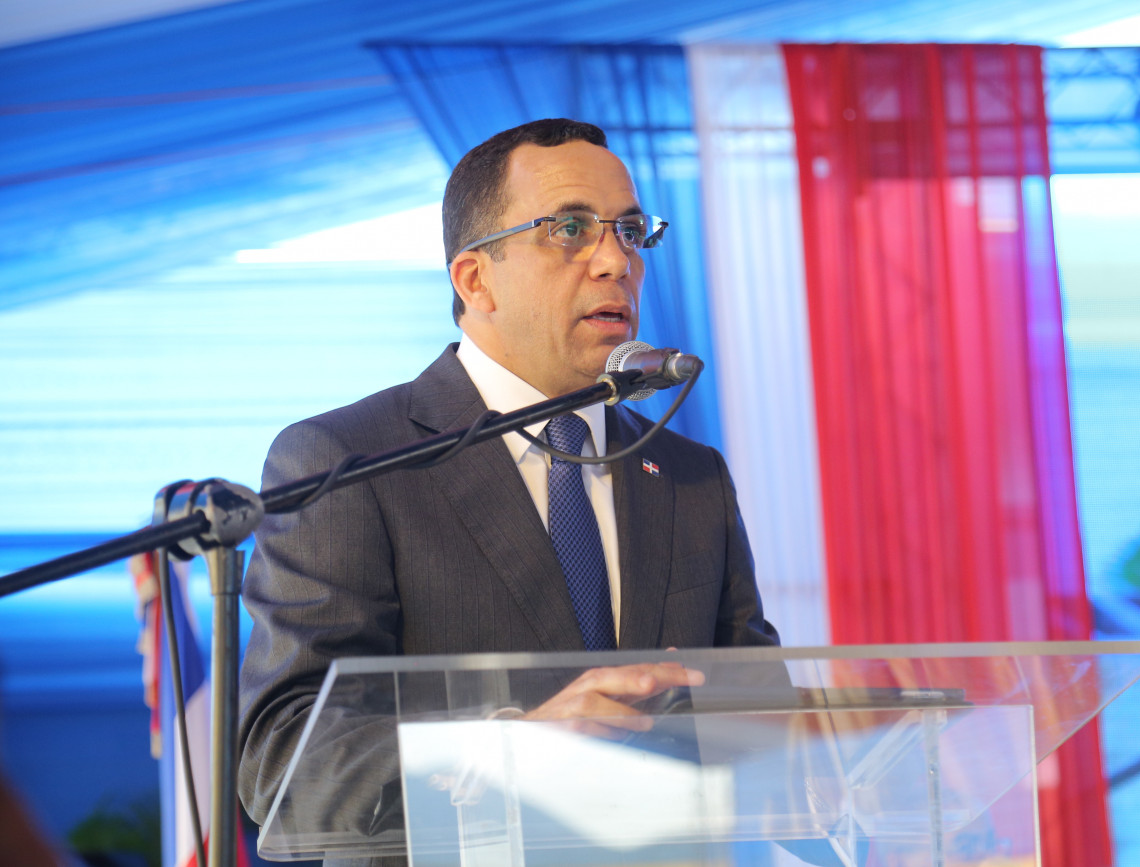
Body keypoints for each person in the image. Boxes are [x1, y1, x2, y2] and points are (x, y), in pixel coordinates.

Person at [235, 119, 779, 855]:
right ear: (474, 279)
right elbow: (286, 761)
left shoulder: (689, 475)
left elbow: (759, 719)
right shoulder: (349, 462)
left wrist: (863, 748)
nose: (615, 260)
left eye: (629, 230)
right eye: (570, 228)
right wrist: (514, 750)